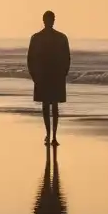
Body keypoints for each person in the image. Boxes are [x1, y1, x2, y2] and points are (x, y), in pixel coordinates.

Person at [27, 10, 71, 146]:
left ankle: (49, 134)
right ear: (53, 20)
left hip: (44, 75)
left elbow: (30, 59)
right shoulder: (61, 37)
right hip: (54, 75)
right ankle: (53, 136)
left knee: (47, 106)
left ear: (44, 20)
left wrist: (34, 75)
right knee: (54, 107)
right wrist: (64, 73)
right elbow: (67, 58)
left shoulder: (36, 38)